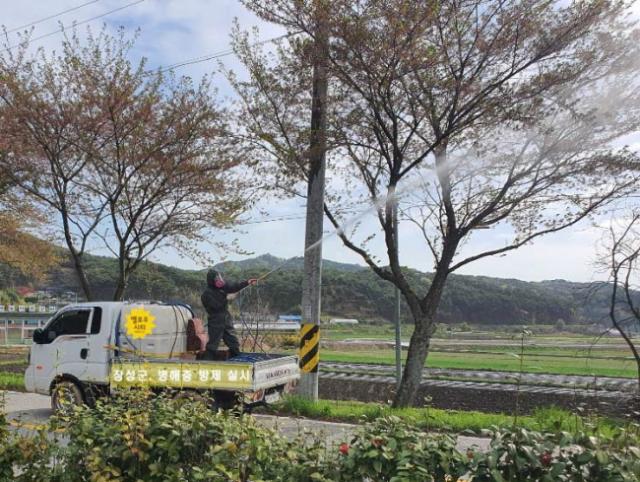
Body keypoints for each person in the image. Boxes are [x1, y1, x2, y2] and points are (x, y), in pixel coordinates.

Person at [201, 268, 257, 359]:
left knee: (233, 342)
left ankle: (237, 359)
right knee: (213, 345)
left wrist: (247, 282)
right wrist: (226, 298)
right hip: (216, 320)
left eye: (219, 277)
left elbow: (234, 287)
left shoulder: (223, 287)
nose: (219, 280)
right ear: (211, 280)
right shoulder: (206, 294)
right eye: (216, 278)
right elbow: (215, 307)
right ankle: (206, 362)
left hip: (226, 318)